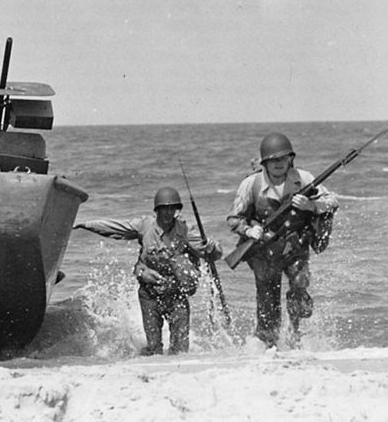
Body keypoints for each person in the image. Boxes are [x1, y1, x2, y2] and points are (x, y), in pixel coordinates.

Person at [75, 186, 221, 355]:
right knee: (154, 348)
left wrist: (212, 247)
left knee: (180, 350)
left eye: (172, 209)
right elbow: (115, 227)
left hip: (176, 296)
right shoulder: (144, 226)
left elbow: (211, 253)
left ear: (176, 211)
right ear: (157, 210)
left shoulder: (185, 230)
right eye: (164, 209)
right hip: (150, 295)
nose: (168, 214)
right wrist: (85, 224)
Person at [226, 132, 338, 349]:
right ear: (264, 162)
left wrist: (311, 206)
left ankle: (295, 333)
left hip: (294, 246)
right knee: (267, 299)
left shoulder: (303, 178)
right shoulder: (251, 184)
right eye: (272, 160)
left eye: (282, 158)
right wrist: (250, 231)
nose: (278, 164)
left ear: (290, 158)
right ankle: (268, 344)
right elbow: (233, 219)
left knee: (300, 283)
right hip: (263, 249)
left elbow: (332, 200)